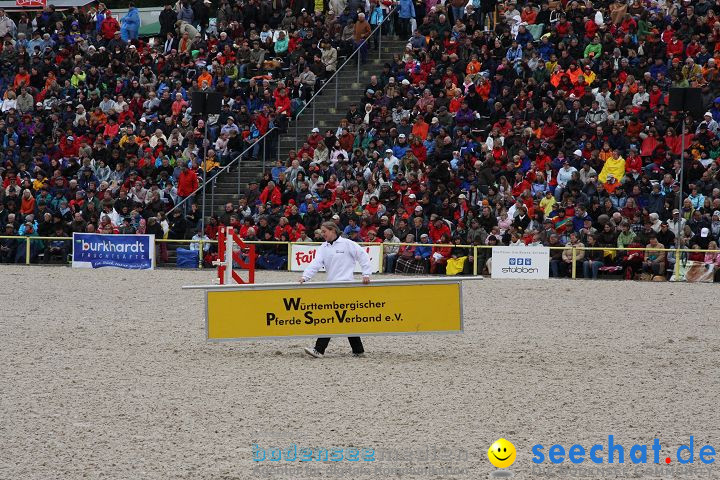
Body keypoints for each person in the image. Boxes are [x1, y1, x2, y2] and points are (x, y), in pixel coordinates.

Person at [301, 221, 373, 358]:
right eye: (321, 232)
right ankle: (358, 350)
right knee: (346, 319)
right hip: (332, 287)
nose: (322, 235)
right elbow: (315, 264)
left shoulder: (348, 243)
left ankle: (319, 349)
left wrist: (366, 274)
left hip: (347, 287)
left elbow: (363, 256)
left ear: (333, 230)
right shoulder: (323, 247)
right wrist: (305, 277)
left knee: (331, 318)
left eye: (324, 232)